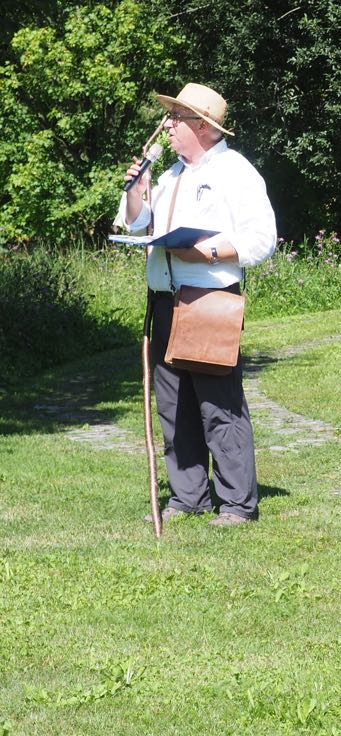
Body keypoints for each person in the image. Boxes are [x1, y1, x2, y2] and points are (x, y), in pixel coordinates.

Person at [118, 83, 277, 526]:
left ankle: (238, 503)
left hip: (208, 303)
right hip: (164, 303)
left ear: (202, 127)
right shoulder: (170, 176)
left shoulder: (236, 172)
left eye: (176, 118)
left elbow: (262, 239)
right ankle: (188, 496)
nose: (167, 126)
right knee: (174, 405)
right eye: (169, 117)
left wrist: (205, 252)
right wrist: (136, 191)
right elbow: (137, 224)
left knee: (219, 406)